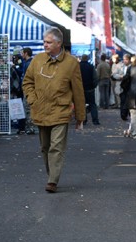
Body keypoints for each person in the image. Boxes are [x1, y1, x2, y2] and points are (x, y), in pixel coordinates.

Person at [22, 27, 85, 193]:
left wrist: (80, 116)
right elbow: (27, 82)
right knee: (45, 147)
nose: (45, 45)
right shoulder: (37, 60)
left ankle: (52, 181)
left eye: (48, 42)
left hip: (61, 111)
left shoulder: (71, 63)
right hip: (40, 110)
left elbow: (78, 91)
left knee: (56, 147)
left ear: (59, 43)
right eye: (44, 42)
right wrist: (32, 99)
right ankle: (52, 175)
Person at [80, 54, 99, 125]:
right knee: (93, 104)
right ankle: (95, 120)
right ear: (87, 59)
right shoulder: (91, 67)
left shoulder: (78, 66)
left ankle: (83, 119)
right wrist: (94, 85)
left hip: (81, 89)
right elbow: (95, 77)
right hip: (90, 88)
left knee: (82, 105)